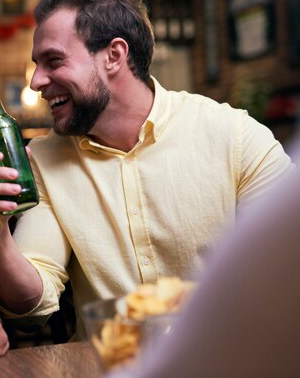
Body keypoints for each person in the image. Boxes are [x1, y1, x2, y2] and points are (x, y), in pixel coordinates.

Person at [0, 0, 293, 341]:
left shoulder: (234, 135)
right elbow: (31, 303)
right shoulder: (43, 158)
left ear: (114, 55)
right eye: (37, 64)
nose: (36, 81)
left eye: (53, 61)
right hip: (110, 365)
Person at [108, 137, 300, 378]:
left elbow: (275, 279)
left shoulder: (238, 137)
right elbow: (47, 272)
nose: (43, 95)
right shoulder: (47, 160)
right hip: (106, 358)